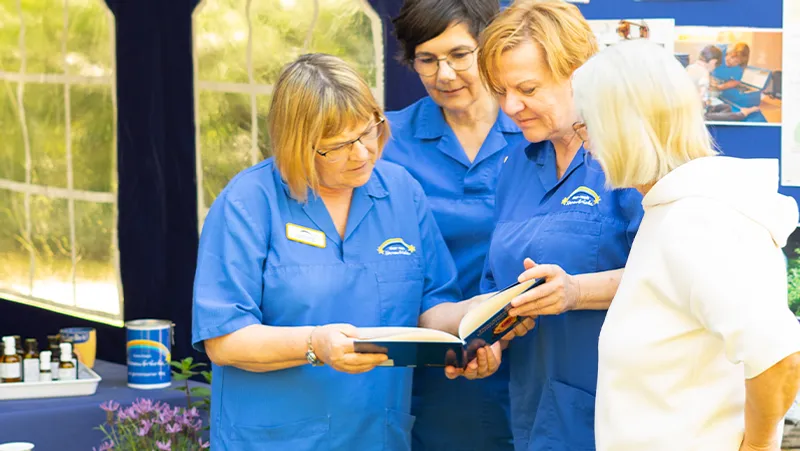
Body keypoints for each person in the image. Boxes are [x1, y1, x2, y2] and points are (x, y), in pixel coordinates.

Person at [191, 53, 499, 450]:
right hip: (274, 439)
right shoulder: (247, 203)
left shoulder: (400, 191)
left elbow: (430, 305)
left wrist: (477, 321)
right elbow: (223, 340)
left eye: (368, 131)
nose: (362, 154)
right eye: (338, 146)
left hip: (376, 435)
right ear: (297, 145)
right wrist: (314, 344)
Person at [571, 38, 800, 451]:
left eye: (587, 124)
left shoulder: (695, 220)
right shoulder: (671, 211)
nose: (585, 142)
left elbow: (780, 356)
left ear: (620, 127)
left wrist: (758, 447)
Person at [456, 1, 645, 449]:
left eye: (527, 89)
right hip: (536, 410)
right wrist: (491, 339)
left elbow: (674, 277)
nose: (511, 106)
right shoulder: (515, 166)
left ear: (580, 74)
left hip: (621, 411)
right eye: (500, 91)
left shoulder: (632, 153)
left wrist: (577, 291)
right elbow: (497, 286)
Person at [383, 0, 528, 449]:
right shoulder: (385, 141)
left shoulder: (535, 129)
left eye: (460, 55)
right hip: (434, 365)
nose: (444, 75)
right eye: (427, 59)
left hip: (533, 354)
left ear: (489, 49)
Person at [686, 45, 760, 122]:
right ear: (713, 62)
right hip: (697, 114)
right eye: (715, 65)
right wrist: (706, 101)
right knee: (735, 116)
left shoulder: (691, 67)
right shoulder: (705, 74)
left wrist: (708, 100)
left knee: (726, 107)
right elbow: (702, 97)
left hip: (694, 107)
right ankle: (744, 112)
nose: (714, 68)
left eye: (737, 62)